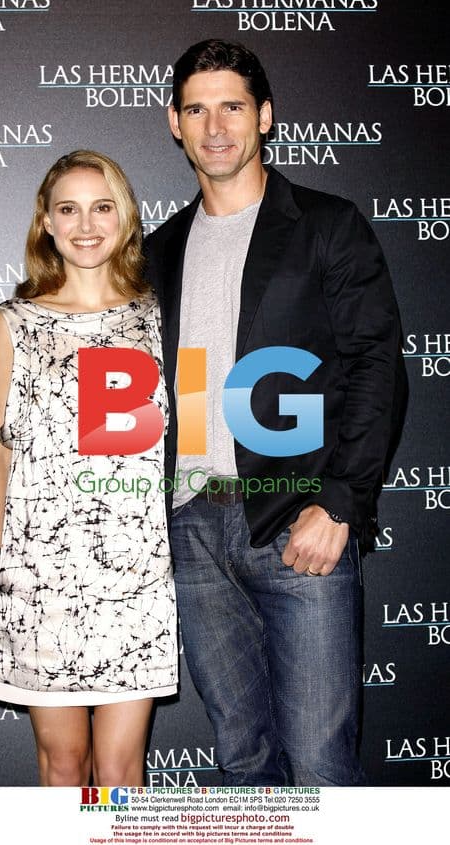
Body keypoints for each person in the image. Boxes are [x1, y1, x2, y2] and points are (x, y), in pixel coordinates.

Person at [144, 40, 406, 785]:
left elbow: (376, 366)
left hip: (298, 519)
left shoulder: (327, 224)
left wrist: (342, 502)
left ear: (265, 117)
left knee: (322, 762)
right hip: (192, 527)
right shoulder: (158, 251)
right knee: (241, 760)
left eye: (232, 105)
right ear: (174, 123)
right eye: (197, 108)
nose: (215, 125)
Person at [0, 150, 177, 786]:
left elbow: (195, 435)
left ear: (126, 219)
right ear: (46, 221)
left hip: (137, 577)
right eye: (69, 208)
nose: (85, 224)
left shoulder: (163, 319)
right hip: (40, 578)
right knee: (63, 763)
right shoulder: (16, 323)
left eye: (102, 207)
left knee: (121, 768)